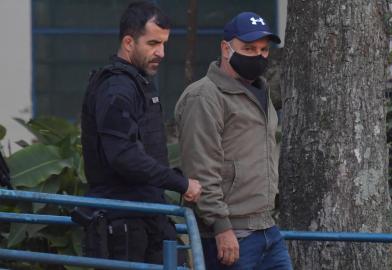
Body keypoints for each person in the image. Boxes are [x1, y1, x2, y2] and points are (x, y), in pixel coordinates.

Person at [80, 0, 201, 264]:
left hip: (146, 218)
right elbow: (124, 156)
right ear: (128, 42)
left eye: (164, 44)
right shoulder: (116, 88)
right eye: (153, 44)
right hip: (123, 222)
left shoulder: (136, 83)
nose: (161, 53)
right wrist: (180, 183)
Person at [175, 12, 292, 270]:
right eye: (248, 48)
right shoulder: (204, 96)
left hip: (267, 228)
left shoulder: (261, 91)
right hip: (230, 233)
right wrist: (221, 226)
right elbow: (201, 167)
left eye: (263, 49)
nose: (259, 55)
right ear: (225, 48)